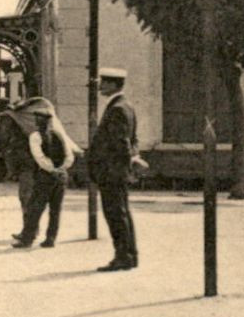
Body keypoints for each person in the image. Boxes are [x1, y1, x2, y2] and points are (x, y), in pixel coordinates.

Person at [92, 67, 148, 272]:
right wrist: (133, 159)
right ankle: (130, 255)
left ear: (114, 85)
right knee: (122, 213)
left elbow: (121, 141)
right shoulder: (126, 107)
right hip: (117, 170)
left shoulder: (117, 109)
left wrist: (129, 160)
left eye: (104, 82)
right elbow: (133, 140)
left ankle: (122, 256)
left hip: (112, 171)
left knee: (116, 215)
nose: (100, 86)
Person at [11, 102, 80, 249]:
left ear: (38, 121)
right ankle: (51, 239)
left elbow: (39, 157)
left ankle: (27, 239)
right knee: (55, 210)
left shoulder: (35, 136)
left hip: (45, 176)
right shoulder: (59, 135)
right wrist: (61, 169)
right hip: (62, 176)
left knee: (35, 208)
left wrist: (51, 170)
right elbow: (69, 156)